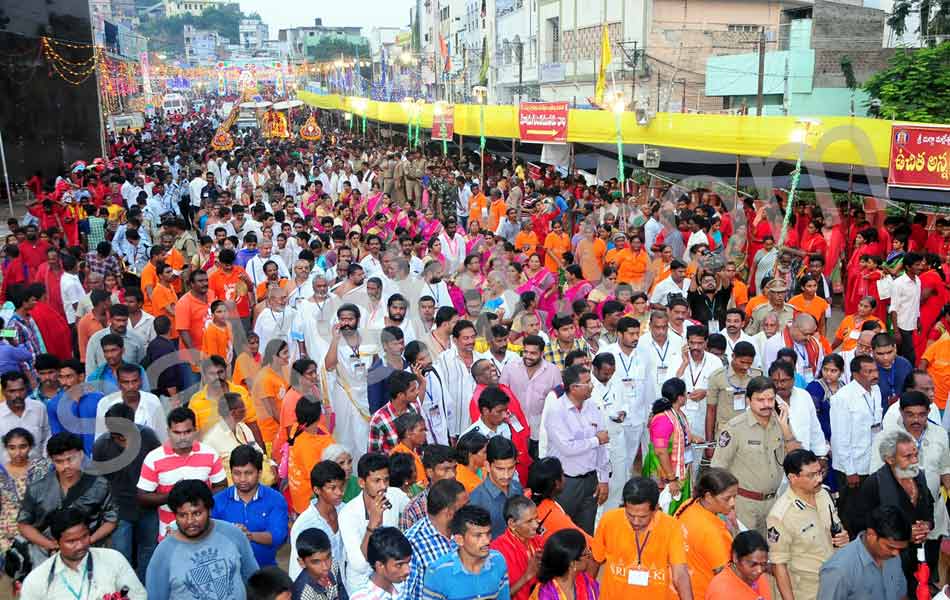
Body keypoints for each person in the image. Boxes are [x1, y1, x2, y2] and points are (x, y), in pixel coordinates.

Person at [710, 375, 801, 535]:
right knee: (746, 554)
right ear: (748, 400)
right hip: (743, 505)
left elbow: (797, 458)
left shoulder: (779, 422)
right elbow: (718, 470)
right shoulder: (734, 428)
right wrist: (727, 508)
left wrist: (786, 428)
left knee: (772, 553)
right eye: (760, 400)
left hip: (774, 503)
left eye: (770, 399)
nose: (766, 405)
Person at [145, 479, 260, 600]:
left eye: (197, 513)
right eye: (182, 515)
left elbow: (254, 582)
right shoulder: (163, 553)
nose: (190, 521)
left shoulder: (233, 535)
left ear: (209, 510)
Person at [852, 429, 935, 595]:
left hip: (918, 559)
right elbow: (859, 526)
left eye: (916, 454)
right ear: (890, 459)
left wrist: (927, 524)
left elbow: (928, 508)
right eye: (908, 457)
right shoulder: (875, 484)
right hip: (889, 563)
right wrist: (902, 534)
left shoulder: (919, 476)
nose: (915, 461)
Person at [17, 432, 117, 566]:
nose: (66, 466)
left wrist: (86, 542)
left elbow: (111, 520)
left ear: (81, 455)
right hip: (45, 555)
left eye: (71, 459)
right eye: (59, 461)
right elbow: (23, 524)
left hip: (88, 551)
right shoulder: (37, 488)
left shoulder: (99, 485)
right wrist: (50, 545)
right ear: (52, 460)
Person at [92, 403, 162, 583]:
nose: (120, 439)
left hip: (148, 506)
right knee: (121, 556)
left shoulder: (148, 437)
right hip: (119, 511)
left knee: (149, 551)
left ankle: (145, 589)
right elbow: (100, 482)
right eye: (115, 434)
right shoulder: (101, 446)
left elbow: (159, 467)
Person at [591, 476, 692, 600]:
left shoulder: (671, 527)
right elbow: (595, 560)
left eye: (643, 517)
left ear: (656, 508)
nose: (636, 522)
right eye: (630, 515)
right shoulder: (609, 520)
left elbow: (680, 574)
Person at [767, 449, 849, 600]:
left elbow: (836, 528)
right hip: (807, 592)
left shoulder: (824, 494)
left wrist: (843, 537)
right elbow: (779, 565)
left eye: (819, 472)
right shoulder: (780, 515)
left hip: (835, 583)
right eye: (811, 475)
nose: (819, 479)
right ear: (793, 477)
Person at [137, 407, 228, 540]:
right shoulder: (153, 458)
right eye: (177, 432)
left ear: (195, 431)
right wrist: (175, 497)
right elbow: (142, 497)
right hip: (169, 535)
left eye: (187, 432)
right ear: (168, 432)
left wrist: (200, 500)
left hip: (206, 533)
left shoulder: (210, 453)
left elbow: (221, 485)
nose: (183, 437)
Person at [19, 507, 146, 600]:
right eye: (71, 541)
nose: (80, 545)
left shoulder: (113, 559)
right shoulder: (37, 580)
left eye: (84, 536)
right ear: (56, 542)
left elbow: (139, 596)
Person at [542, 364, 609, 534]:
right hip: (566, 483)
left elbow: (603, 446)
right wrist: (595, 440)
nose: (591, 386)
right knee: (561, 531)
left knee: (586, 532)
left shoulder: (592, 406)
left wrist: (603, 479)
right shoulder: (556, 411)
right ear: (573, 388)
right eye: (587, 382)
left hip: (590, 481)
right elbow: (567, 448)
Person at [212, 445, 289, 568]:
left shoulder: (275, 499)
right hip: (228, 572)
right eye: (237, 473)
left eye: (248, 473)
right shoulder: (217, 501)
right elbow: (211, 537)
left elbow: (278, 537)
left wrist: (249, 535)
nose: (242, 479)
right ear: (230, 472)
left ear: (259, 473)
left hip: (265, 571)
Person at [829, 355, 882, 534]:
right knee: (851, 517)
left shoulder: (876, 391)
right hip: (851, 469)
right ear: (856, 375)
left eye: (875, 370)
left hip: (872, 463)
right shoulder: (843, 398)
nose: (874, 375)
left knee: (870, 514)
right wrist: (850, 470)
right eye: (869, 371)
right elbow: (839, 438)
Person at [816, 505, 909, 600]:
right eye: (890, 547)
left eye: (900, 549)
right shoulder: (838, 571)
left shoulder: (892, 554)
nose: (896, 554)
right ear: (871, 535)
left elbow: (901, 594)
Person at [673, 468, 739, 599]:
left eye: (734, 497)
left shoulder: (689, 505)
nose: (733, 503)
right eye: (727, 498)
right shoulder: (712, 532)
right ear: (708, 496)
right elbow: (726, 578)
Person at [339, 452, 400, 593]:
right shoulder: (348, 514)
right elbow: (359, 565)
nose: (383, 486)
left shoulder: (394, 496)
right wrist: (372, 524)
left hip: (392, 580)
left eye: (386, 480)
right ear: (361, 482)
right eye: (376, 481)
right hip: (361, 585)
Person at [421, 505, 510, 600]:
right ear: (459, 540)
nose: (487, 541)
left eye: (488, 533)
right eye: (478, 535)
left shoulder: (498, 560)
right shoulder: (437, 572)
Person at [642, 377, 703, 515]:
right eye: (685, 393)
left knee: (680, 508)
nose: (687, 396)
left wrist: (693, 438)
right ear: (680, 397)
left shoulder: (678, 413)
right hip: (665, 470)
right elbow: (661, 451)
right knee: (664, 509)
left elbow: (679, 434)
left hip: (680, 468)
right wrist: (671, 479)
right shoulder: (663, 418)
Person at [404, 478, 467, 600]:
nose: (469, 511)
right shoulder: (413, 544)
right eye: (464, 507)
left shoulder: (466, 531)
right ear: (449, 513)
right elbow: (405, 595)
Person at [289, 460, 347, 582]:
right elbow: (297, 569)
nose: (339, 492)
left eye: (341, 486)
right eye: (332, 488)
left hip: (345, 584)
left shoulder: (346, 511)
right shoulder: (304, 524)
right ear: (317, 490)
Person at [469, 436, 524, 539]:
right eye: (500, 469)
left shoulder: (517, 487)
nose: (506, 475)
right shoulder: (476, 500)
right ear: (488, 466)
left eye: (511, 468)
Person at [490, 496, 542, 600]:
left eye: (536, 518)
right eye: (529, 521)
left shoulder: (536, 539)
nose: (536, 525)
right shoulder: (497, 552)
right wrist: (527, 576)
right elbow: (496, 597)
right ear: (512, 524)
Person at [398, 444, 458, 531]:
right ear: (430, 472)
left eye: (454, 468)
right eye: (446, 469)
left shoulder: (462, 500)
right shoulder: (414, 509)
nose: (453, 474)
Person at [529, 528, 598, 600]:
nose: (590, 555)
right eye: (585, 553)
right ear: (573, 564)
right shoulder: (544, 595)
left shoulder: (587, 582)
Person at [705, 531, 772, 600]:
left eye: (763, 564)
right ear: (735, 557)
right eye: (753, 564)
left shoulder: (756, 576)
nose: (759, 570)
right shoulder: (721, 592)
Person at [0, 371, 50, 464]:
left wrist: (44, 459)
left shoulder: (39, 408)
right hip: (7, 473)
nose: (17, 395)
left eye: (21, 390)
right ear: (3, 392)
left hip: (38, 470)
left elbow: (47, 435)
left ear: (27, 389)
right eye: (12, 391)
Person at [350, 527, 412, 600]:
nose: (407, 570)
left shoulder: (404, 586)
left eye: (408, 562)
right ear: (380, 566)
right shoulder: (363, 598)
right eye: (399, 565)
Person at [291, 527, 348, 600]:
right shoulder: (302, 594)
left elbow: (342, 591)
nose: (326, 567)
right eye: (316, 562)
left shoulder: (333, 565)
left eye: (328, 557)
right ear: (302, 562)